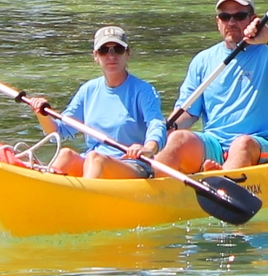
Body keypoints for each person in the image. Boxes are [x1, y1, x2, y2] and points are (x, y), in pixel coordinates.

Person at [157, 0, 268, 173]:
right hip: (215, 143)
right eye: (224, 16)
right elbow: (188, 113)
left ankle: (220, 181)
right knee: (178, 138)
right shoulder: (203, 60)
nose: (231, 22)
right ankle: (150, 189)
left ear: (253, 19)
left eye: (239, 16)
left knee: (242, 143)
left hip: (260, 143)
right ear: (217, 22)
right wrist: (169, 127)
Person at [20, 27, 167, 179]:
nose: (111, 56)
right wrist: (41, 113)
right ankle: (46, 192)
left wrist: (148, 148)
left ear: (127, 54)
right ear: (96, 56)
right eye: (104, 50)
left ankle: (83, 199)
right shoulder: (88, 90)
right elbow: (57, 132)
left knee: (95, 159)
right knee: (66, 154)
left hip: (132, 164)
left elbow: (156, 123)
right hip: (92, 160)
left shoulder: (144, 90)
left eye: (117, 49)